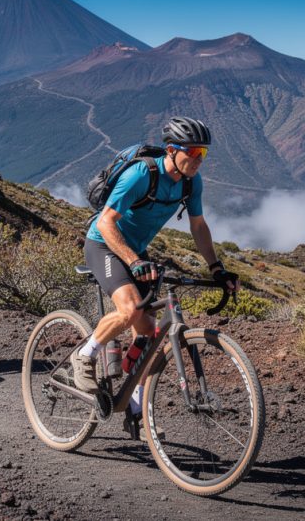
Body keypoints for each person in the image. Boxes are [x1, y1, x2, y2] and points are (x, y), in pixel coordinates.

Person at [73, 117, 239, 431]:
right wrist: (133, 261)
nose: (198, 160)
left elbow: (198, 226)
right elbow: (107, 222)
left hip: (135, 251)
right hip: (103, 244)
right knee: (130, 307)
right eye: (192, 152)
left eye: (203, 153)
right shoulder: (141, 174)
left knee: (148, 334)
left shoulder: (191, 183)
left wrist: (216, 268)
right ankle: (85, 354)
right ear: (172, 150)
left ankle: (134, 409)